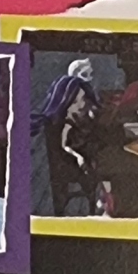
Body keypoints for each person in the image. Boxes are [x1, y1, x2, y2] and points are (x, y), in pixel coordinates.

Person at [38, 58, 100, 216]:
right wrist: (78, 156)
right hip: (75, 161)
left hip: (87, 149)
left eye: (83, 99)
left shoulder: (80, 117)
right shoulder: (67, 125)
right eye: (76, 102)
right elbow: (65, 146)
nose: (82, 104)